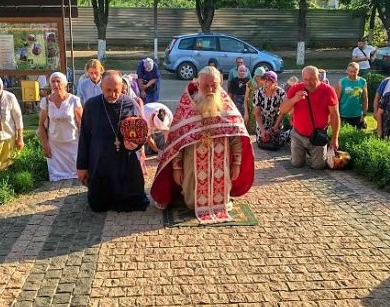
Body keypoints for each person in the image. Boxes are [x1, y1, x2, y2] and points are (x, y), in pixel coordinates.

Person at [151, 66, 255, 224]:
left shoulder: (227, 107)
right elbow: (177, 141)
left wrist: (237, 163)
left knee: (220, 196)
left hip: (221, 161)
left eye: (214, 85)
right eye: (206, 85)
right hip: (192, 162)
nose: (210, 89)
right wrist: (177, 167)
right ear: (198, 84)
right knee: (191, 202)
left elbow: (236, 137)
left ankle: (217, 204)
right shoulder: (188, 106)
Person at [77, 70, 150, 212]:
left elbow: (141, 133)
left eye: (116, 90)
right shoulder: (91, 106)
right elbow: (84, 136)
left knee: (132, 199)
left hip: (125, 158)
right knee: (98, 204)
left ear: (122, 87)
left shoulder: (130, 103)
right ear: (101, 87)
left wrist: (136, 145)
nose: (112, 94)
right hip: (100, 158)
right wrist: (81, 166)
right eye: (108, 90)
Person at [279, 66, 340, 169]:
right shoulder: (296, 88)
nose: (308, 82)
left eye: (311, 79)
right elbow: (283, 110)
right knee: (297, 164)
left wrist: (335, 138)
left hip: (318, 135)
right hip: (298, 134)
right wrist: (294, 99)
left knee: (318, 166)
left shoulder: (328, 90)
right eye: (305, 79)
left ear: (319, 77)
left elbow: (334, 115)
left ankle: (312, 153)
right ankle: (299, 154)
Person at [38, 72, 82, 181]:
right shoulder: (46, 102)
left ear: (65, 84)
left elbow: (82, 124)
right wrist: (45, 145)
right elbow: (41, 125)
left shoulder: (74, 100)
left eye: (58, 81)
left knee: (76, 176)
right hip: (55, 145)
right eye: (53, 81)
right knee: (57, 178)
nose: (55, 84)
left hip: (73, 143)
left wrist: (83, 146)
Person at [253, 71, 287, 149]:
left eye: (268, 80)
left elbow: (282, 111)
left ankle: (285, 134)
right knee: (261, 141)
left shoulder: (281, 92)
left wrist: (275, 126)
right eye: (264, 80)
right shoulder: (258, 93)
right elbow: (257, 113)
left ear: (274, 82)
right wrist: (262, 130)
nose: (265, 82)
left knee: (277, 142)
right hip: (262, 120)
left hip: (276, 119)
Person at [335, 62, 368, 129]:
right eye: (351, 72)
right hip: (344, 114)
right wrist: (337, 115)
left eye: (355, 72)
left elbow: (365, 99)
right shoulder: (342, 82)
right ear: (347, 71)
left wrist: (364, 115)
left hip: (357, 114)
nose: (353, 74)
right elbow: (337, 100)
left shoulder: (363, 82)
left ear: (358, 71)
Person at [243, 67, 266, 133]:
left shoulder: (266, 84)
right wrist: (246, 113)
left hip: (262, 110)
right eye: (257, 76)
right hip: (251, 111)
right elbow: (245, 100)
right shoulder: (250, 83)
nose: (259, 78)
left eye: (261, 76)